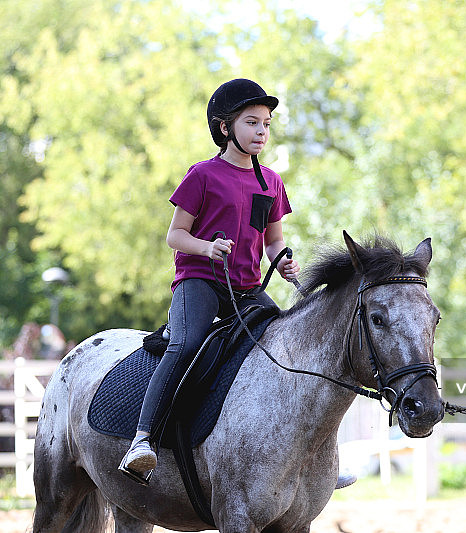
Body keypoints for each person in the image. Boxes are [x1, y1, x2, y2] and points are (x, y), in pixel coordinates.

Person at [118, 78, 299, 480]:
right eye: (251, 122)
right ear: (224, 127)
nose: (261, 131)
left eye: (266, 124)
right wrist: (207, 247)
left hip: (247, 289)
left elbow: (273, 241)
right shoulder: (202, 175)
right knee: (186, 344)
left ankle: (306, 458)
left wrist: (283, 261)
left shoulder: (271, 181)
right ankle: (142, 440)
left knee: (290, 343)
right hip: (199, 279)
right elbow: (175, 236)